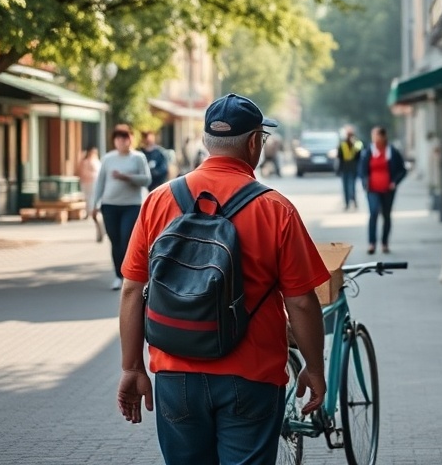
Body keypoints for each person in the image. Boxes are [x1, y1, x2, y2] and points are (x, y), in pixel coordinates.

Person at [116, 93, 329, 465]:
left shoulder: (158, 201)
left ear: (205, 142)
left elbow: (133, 290)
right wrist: (314, 367)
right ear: (253, 143)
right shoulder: (275, 209)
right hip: (252, 375)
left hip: (174, 374)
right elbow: (300, 301)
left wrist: (132, 368)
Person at [91, 125, 151, 290]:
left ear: (131, 139)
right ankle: (118, 275)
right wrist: (94, 204)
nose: (121, 141)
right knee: (115, 242)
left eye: (125, 137)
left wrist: (127, 177)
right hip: (109, 205)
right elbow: (100, 182)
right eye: (118, 138)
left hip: (132, 205)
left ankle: (130, 275)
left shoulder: (138, 158)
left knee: (126, 240)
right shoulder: (108, 158)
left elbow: (146, 180)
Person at [357, 126, 406, 254]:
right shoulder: (368, 151)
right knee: (373, 213)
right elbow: (361, 170)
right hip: (372, 189)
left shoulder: (392, 151)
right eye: (373, 135)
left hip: (388, 190)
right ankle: (372, 243)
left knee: (386, 215)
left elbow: (403, 170)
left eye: (376, 135)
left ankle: (384, 243)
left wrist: (395, 182)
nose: (374, 138)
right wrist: (365, 181)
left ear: (383, 136)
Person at [77, 146, 103, 243]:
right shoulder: (86, 162)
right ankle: (100, 228)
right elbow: (81, 173)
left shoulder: (97, 162)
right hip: (88, 185)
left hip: (95, 185)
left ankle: (100, 228)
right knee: (91, 204)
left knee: (94, 206)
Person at [336, 126, 363, 211]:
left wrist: (353, 144)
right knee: (347, 187)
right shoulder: (343, 144)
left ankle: (352, 202)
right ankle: (348, 203)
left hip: (352, 169)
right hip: (346, 169)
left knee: (351, 187)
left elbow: (359, 155)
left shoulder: (357, 143)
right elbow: (339, 156)